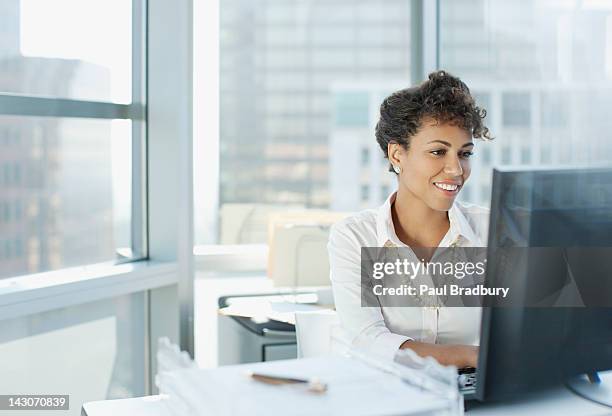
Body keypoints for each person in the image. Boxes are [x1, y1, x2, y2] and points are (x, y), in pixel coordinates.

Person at [328, 70, 493, 368]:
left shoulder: (493, 231)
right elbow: (369, 341)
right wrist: (475, 356)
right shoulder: (354, 237)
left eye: (464, 153)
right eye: (438, 152)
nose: (456, 169)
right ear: (397, 155)